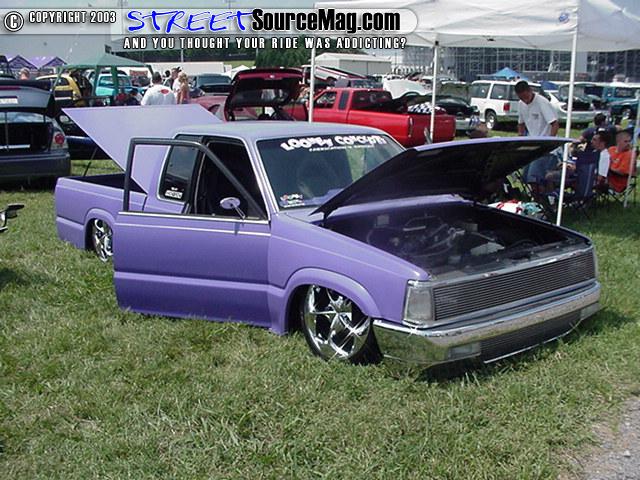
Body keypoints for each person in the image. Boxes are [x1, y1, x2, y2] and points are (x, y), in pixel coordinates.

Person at [515, 80, 559, 193]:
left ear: (530, 91)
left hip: (546, 150)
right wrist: (520, 138)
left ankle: (544, 198)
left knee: (534, 178)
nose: (525, 100)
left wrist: (549, 143)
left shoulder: (542, 102)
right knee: (525, 177)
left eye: (526, 97)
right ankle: (536, 197)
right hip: (532, 147)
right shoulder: (521, 104)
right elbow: (521, 124)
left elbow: (554, 124)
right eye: (521, 98)